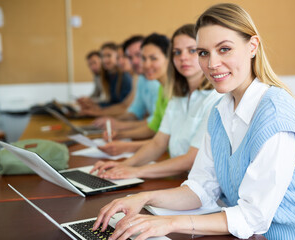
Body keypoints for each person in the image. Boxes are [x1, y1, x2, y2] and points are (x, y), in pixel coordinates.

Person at [92, 3, 295, 240]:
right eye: (204, 53)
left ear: (252, 47)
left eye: (225, 49)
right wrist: (142, 198)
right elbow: (201, 188)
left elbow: (253, 216)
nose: (212, 63)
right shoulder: (220, 110)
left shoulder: (275, 115)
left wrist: (167, 223)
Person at [91, 25, 222, 181]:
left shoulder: (216, 97)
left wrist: (137, 171)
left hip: (203, 185)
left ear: (205, 54)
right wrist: (125, 165)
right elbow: (159, 142)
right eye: (177, 52)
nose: (183, 58)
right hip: (180, 177)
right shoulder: (177, 96)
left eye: (192, 51)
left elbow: (191, 158)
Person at [93, 36, 161, 155]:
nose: (134, 61)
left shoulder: (157, 82)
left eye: (139, 55)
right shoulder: (141, 78)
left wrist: (121, 126)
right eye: (129, 57)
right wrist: (115, 124)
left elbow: (156, 124)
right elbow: (135, 111)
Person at [78, 42, 133, 116]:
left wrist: (96, 110)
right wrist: (92, 104)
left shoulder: (125, 77)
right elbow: (111, 102)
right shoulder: (108, 76)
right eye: (103, 57)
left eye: (109, 56)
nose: (105, 60)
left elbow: (124, 106)